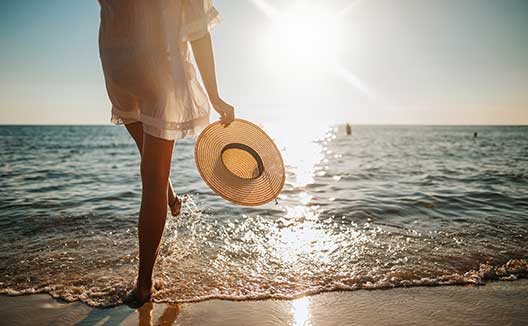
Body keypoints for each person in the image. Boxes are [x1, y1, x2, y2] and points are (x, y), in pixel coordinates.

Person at [97, 0, 234, 305]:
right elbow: (198, 31)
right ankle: (144, 283)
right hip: (157, 66)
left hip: (117, 64)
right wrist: (215, 95)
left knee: (146, 153)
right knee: (153, 179)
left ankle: (169, 195)